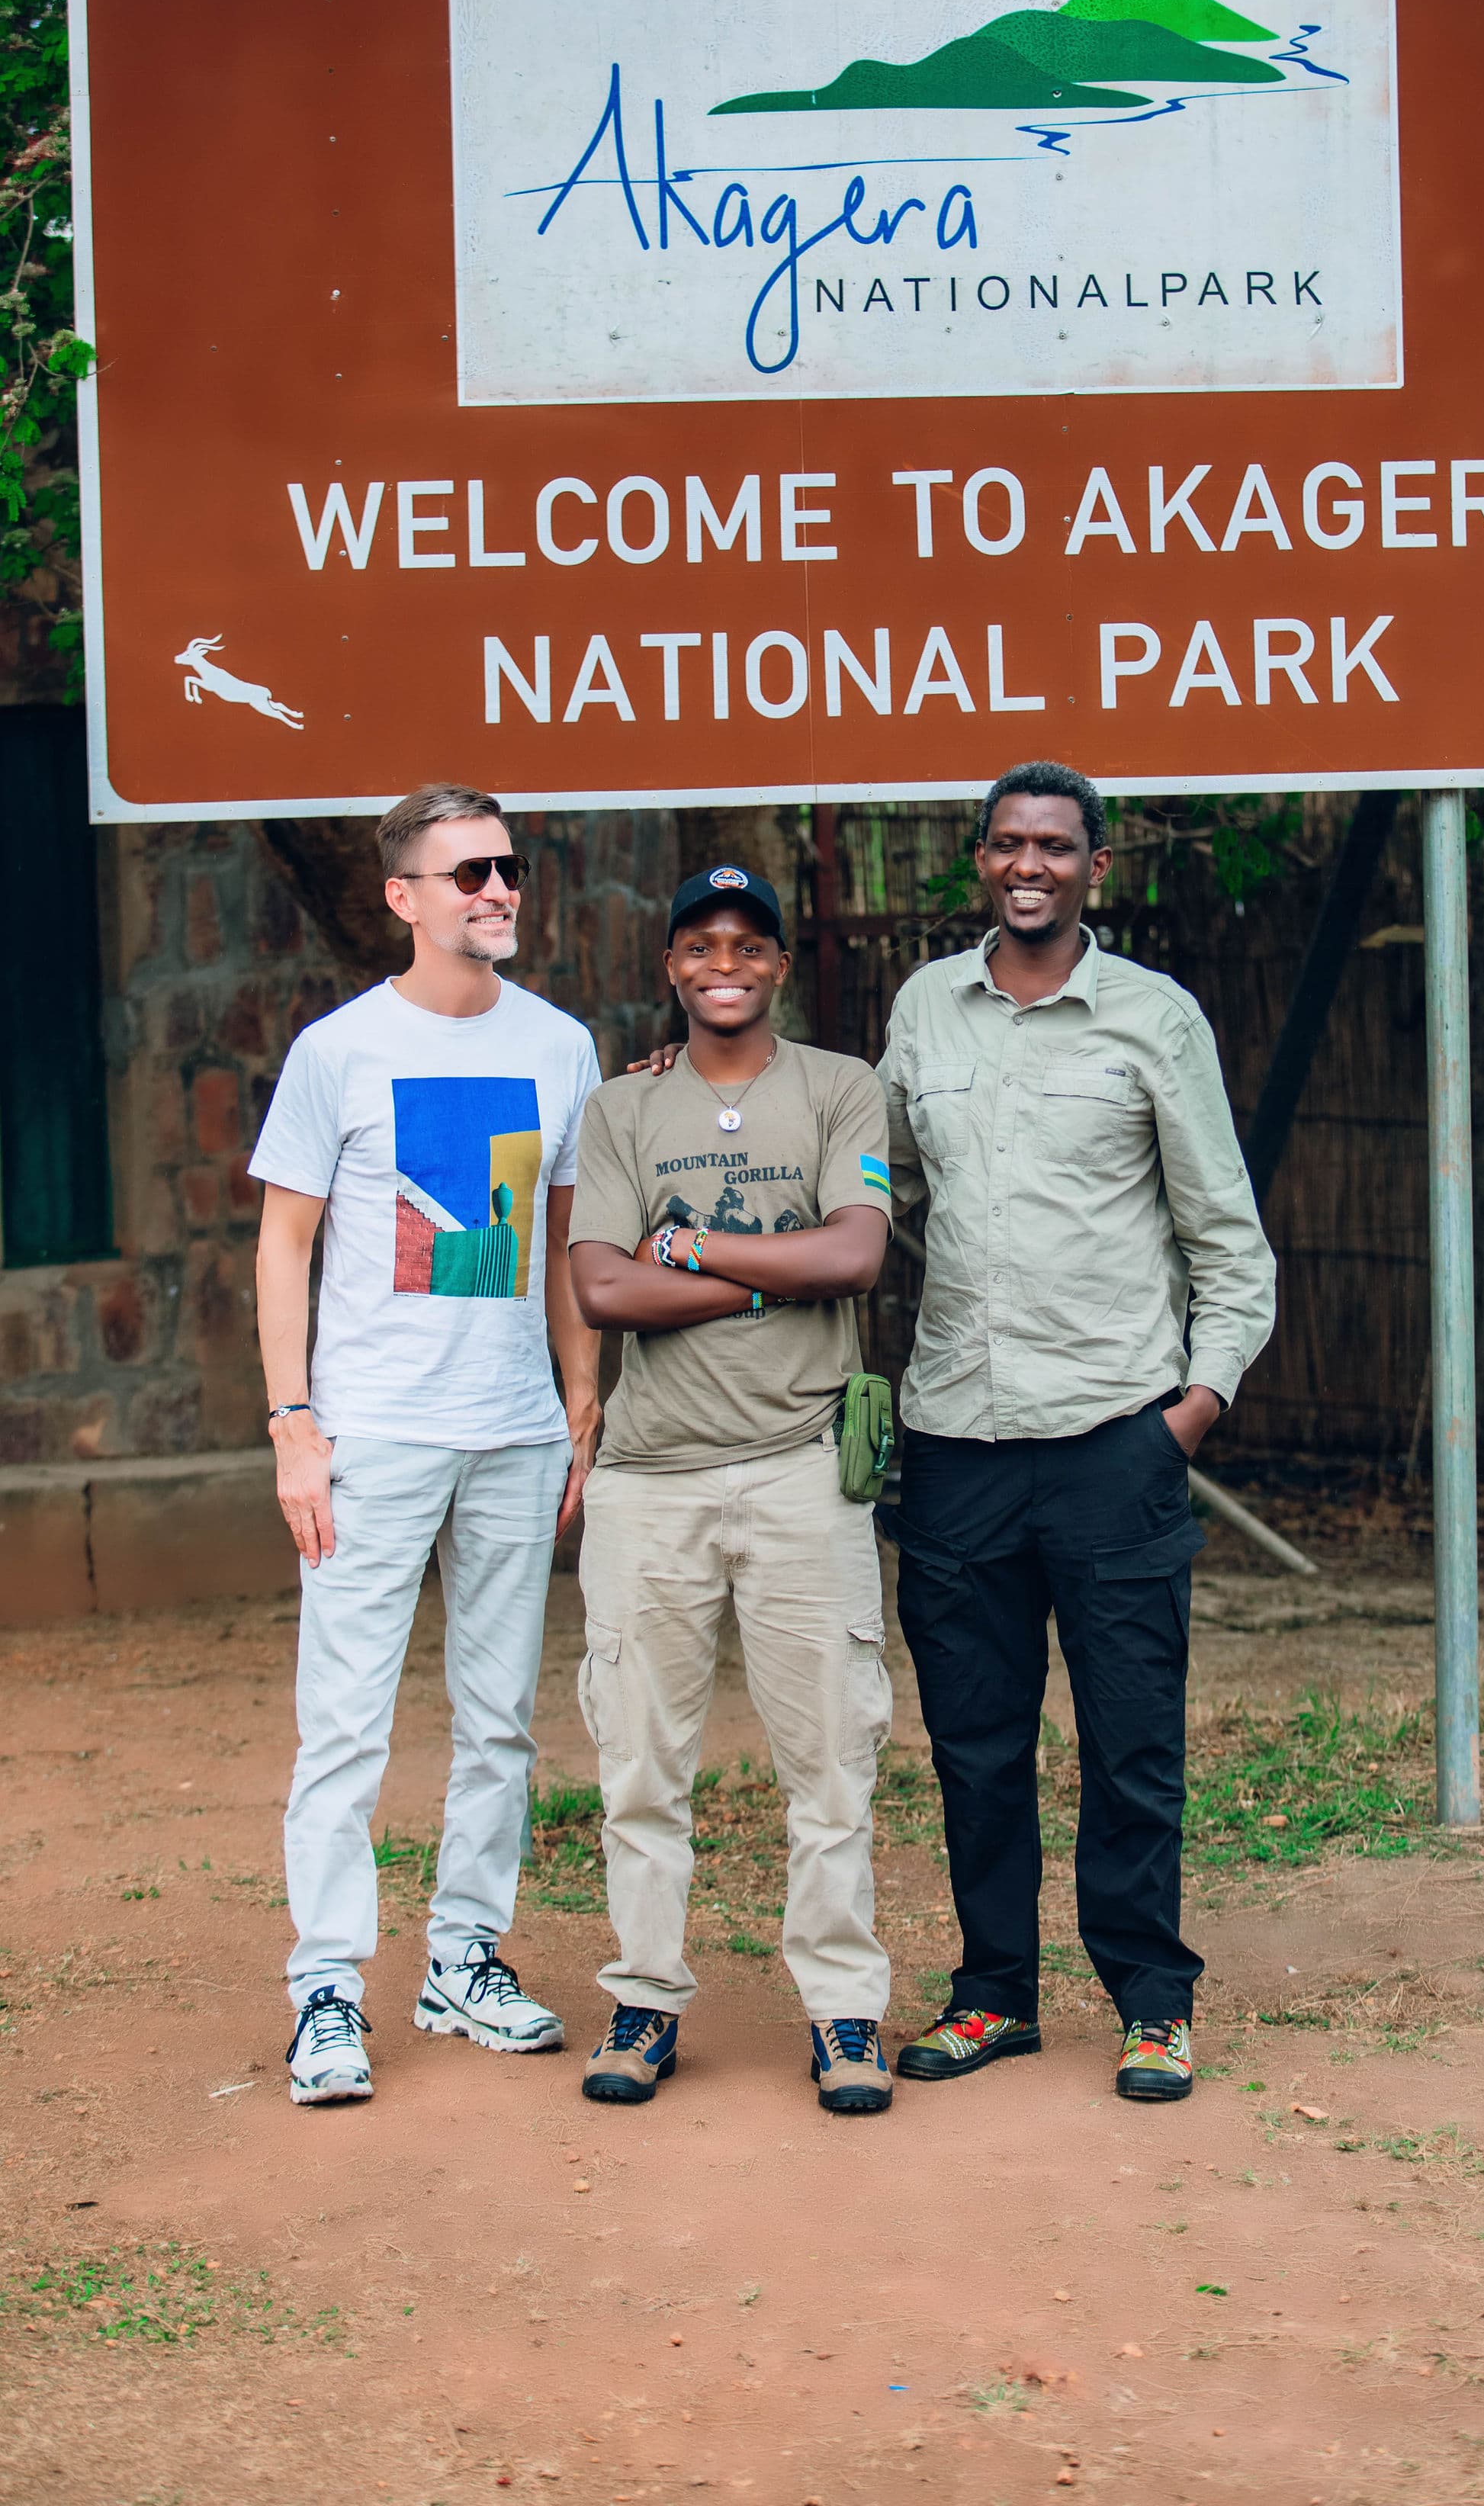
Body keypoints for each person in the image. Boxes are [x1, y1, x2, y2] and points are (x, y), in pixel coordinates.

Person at [883, 761, 1276, 2102]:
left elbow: (1229, 1241)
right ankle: (993, 1994)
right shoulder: (926, 1009)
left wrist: (1191, 1413)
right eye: (1007, 844)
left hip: (1116, 1441)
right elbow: (869, 1184)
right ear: (980, 861)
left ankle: (1153, 2000)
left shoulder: (1154, 1020)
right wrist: (705, 1083)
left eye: (1056, 845)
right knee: (975, 1745)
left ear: (1095, 868)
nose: (1029, 864)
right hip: (954, 1445)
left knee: (1130, 1740)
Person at [250, 782, 602, 2106]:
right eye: (466, 875)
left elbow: (566, 1238)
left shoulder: (560, 1044)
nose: (496, 891)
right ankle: (327, 1992)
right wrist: (295, 1426)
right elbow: (283, 1247)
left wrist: (580, 1396)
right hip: (373, 1437)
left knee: (499, 1723)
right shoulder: (341, 1051)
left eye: (505, 870)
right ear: (404, 898)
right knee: (343, 1729)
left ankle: (464, 1960)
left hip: (514, 1434)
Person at [567, 866, 896, 2115]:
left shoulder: (839, 1089)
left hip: (804, 1473)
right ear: (672, 967)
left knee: (831, 1763)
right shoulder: (620, 1110)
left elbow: (855, 1253)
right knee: (640, 1764)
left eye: (746, 944)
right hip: (651, 1482)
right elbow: (602, 1289)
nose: (724, 962)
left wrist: (696, 1251)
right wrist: (780, 1270)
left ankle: (844, 2012)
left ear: (777, 965)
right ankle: (645, 1999)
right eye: (699, 943)